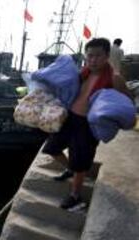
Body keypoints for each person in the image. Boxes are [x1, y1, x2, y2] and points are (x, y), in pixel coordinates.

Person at [42, 38, 131, 210]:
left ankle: (75, 195)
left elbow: (127, 103)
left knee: (81, 160)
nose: (93, 60)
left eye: (98, 56)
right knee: (52, 148)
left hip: (88, 125)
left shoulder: (115, 79)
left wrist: (110, 113)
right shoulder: (83, 73)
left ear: (107, 56)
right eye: (89, 56)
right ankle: (71, 170)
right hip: (70, 118)